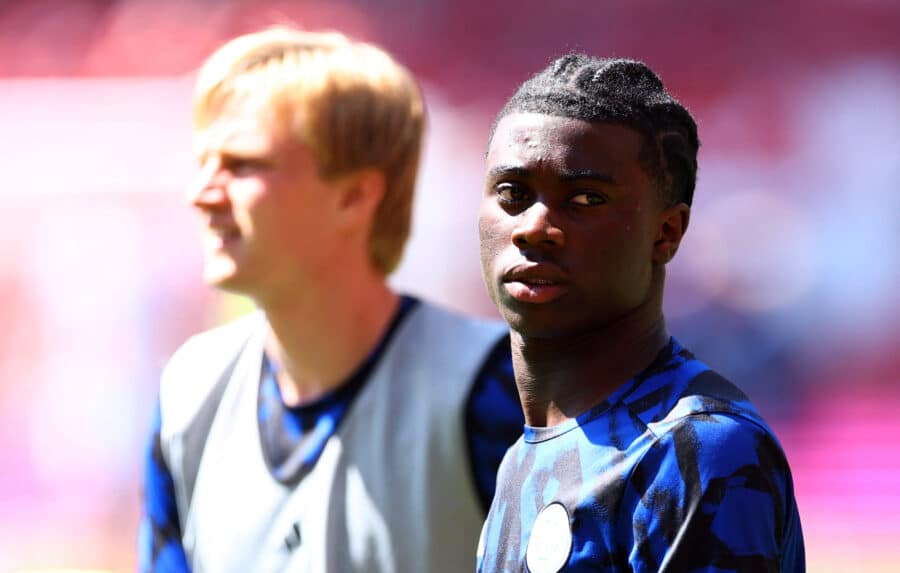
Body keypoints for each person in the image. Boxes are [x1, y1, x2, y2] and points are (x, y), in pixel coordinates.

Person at [137, 27, 522, 573]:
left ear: (354, 195)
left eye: (242, 164)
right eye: (205, 162)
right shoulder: (188, 393)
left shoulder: (492, 389)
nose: (202, 194)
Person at [475, 54, 805, 572]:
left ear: (666, 232)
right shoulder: (520, 458)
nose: (534, 227)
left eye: (585, 198)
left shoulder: (696, 451)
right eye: (513, 194)